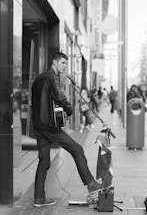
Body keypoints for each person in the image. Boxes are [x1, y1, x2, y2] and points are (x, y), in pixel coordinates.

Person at [31, 52, 104, 207]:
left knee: (44, 161)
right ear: (55, 62)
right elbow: (60, 97)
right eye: (63, 63)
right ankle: (91, 183)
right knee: (77, 149)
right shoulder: (52, 78)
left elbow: (41, 101)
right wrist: (70, 110)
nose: (65, 66)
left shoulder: (39, 79)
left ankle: (39, 198)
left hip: (39, 125)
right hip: (50, 126)